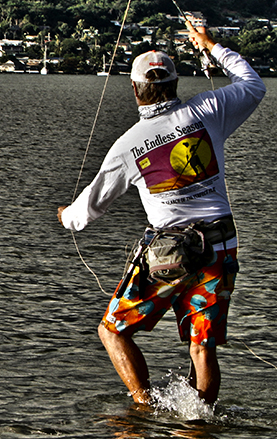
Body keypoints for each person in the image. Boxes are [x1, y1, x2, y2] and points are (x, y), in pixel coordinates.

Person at [58, 21, 266, 405]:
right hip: (221, 245)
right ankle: (199, 425)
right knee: (202, 347)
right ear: (174, 85)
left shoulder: (128, 145)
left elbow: (89, 209)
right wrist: (210, 46)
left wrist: (65, 217)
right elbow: (254, 85)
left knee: (112, 331)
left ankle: (142, 408)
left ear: (136, 90)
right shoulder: (208, 110)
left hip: (168, 253)